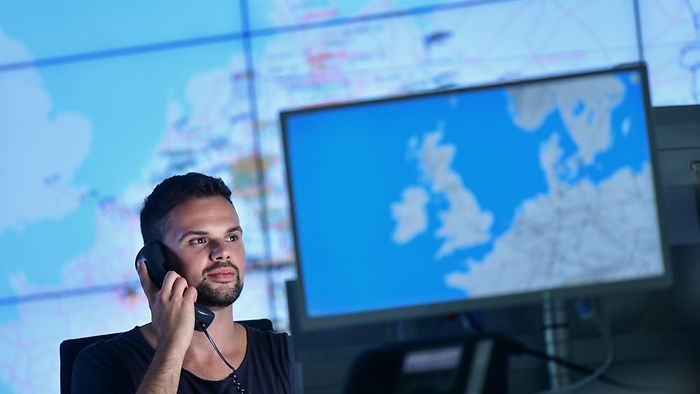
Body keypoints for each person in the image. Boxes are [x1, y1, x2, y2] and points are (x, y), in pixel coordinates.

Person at [72, 172, 292, 393]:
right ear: (157, 262)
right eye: (199, 240)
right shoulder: (102, 364)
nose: (223, 252)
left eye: (231, 237)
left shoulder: (287, 355)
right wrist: (171, 348)